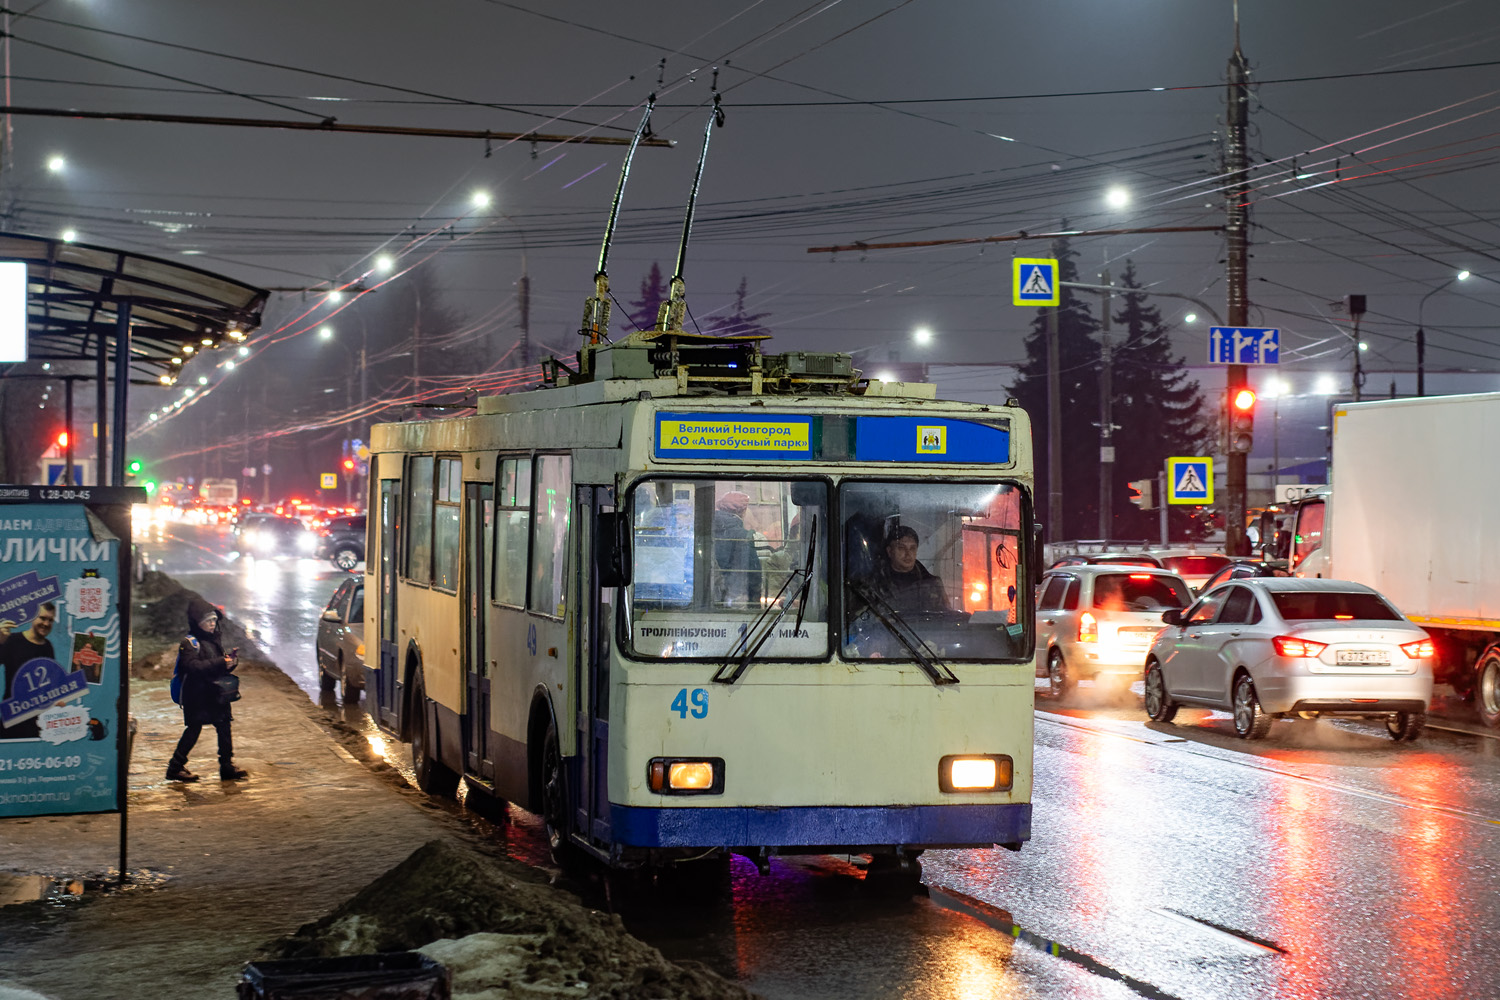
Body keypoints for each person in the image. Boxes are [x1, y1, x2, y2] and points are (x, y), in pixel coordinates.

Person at [166, 598, 248, 782]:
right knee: (193, 730)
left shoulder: (214, 639)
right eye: (207, 621)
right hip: (197, 697)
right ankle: (175, 768)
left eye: (213, 620)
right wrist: (220, 661)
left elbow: (215, 667)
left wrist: (229, 663)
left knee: (225, 727)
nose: (212, 624)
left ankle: (226, 767)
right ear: (197, 623)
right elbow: (192, 667)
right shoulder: (189, 643)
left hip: (215, 695)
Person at [0, 603, 58, 740]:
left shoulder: (48, 647)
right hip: (12, 718)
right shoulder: (12, 641)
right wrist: (0, 642)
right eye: (42, 618)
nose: (46, 623)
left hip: (39, 721)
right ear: (32, 617)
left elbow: (50, 685)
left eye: (50, 620)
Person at [875, 526, 949, 615]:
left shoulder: (933, 584)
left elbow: (946, 618)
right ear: (890, 551)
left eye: (912, 548)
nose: (908, 554)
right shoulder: (874, 584)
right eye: (901, 548)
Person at [712, 491, 762, 607]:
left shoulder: (708, 531)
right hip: (737, 599)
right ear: (743, 511)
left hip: (712, 599)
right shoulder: (743, 536)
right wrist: (754, 605)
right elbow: (753, 574)